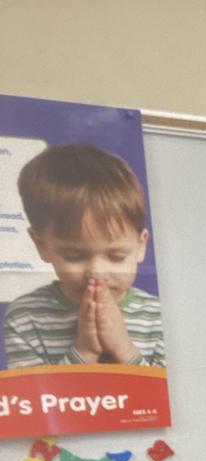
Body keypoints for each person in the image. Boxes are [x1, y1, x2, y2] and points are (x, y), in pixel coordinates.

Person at [4, 142, 164, 368]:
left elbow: (170, 388)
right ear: (42, 245)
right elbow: (33, 392)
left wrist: (124, 349)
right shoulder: (24, 318)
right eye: (75, 256)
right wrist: (84, 350)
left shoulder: (158, 316)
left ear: (141, 246)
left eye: (116, 257)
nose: (96, 273)